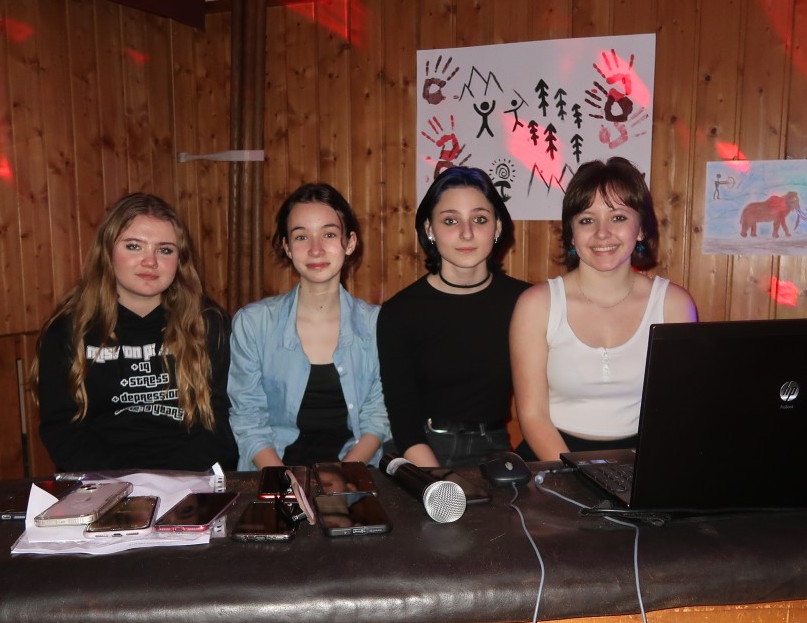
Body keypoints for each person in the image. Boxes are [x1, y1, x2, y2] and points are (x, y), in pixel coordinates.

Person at [34, 192, 239, 471]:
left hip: (191, 477)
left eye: (165, 250)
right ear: (107, 251)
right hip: (103, 481)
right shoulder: (68, 329)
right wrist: (127, 481)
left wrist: (170, 480)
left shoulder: (209, 323)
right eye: (134, 246)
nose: (150, 261)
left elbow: (224, 419)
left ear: (180, 259)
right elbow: (62, 428)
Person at [510, 157, 698, 461]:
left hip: (643, 457)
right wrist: (577, 475)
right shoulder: (536, 305)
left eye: (618, 217)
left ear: (641, 228)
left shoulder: (674, 305)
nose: (602, 233)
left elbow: (679, 410)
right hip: (553, 457)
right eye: (587, 220)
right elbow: (533, 416)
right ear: (571, 234)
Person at [227, 183, 388, 470]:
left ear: (350, 242)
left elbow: (377, 416)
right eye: (302, 236)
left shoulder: (377, 324)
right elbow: (248, 419)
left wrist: (343, 479)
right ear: (287, 247)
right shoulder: (253, 324)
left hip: (355, 472)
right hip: (273, 472)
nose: (316, 249)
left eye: (329, 234)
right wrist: (284, 485)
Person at [377, 167, 529, 468]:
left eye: (479, 219)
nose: (466, 232)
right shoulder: (400, 312)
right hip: (422, 451)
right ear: (429, 229)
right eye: (450, 220)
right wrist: (442, 485)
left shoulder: (525, 302)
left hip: (496, 448)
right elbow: (405, 426)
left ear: (498, 227)